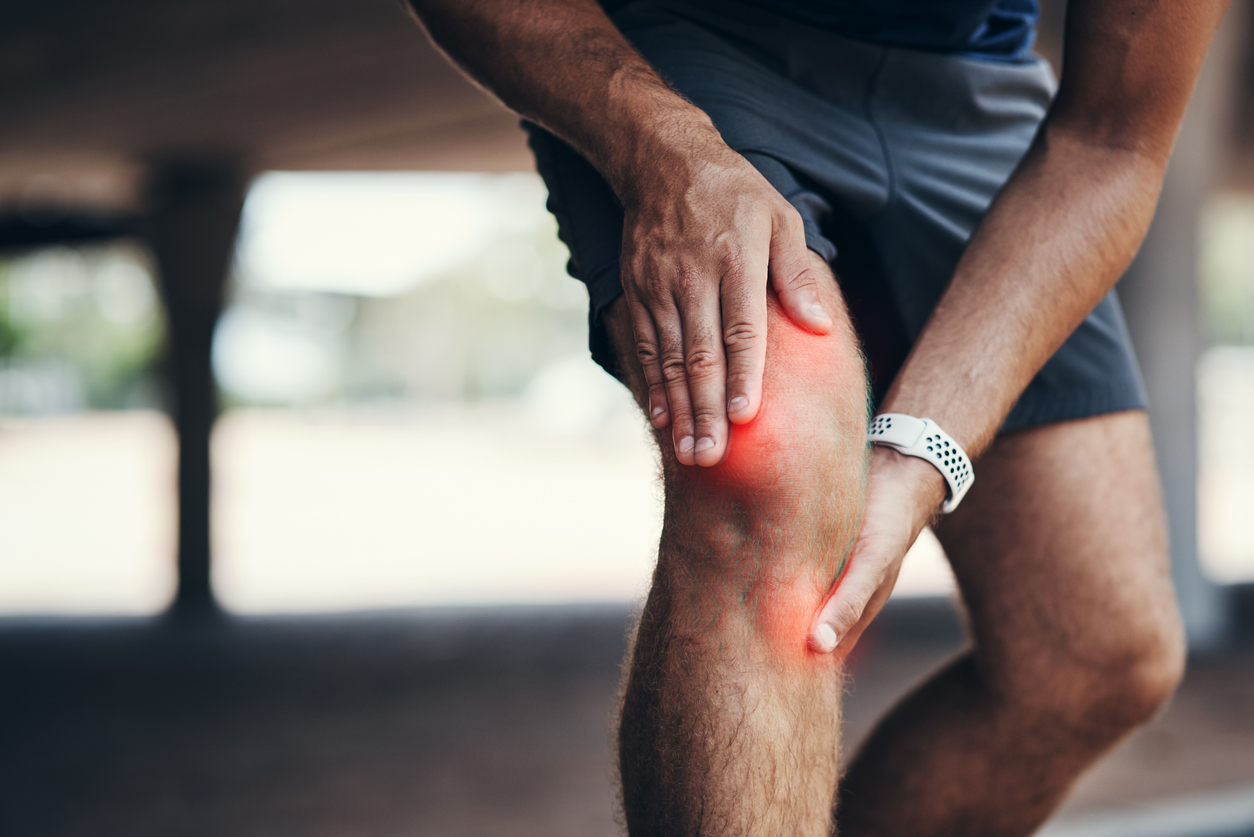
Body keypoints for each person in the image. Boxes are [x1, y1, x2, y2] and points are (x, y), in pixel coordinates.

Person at [405, 0, 1229, 833]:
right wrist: (664, 153)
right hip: (682, 46)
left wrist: (920, 455)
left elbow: (1112, 141)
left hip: (975, 88)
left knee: (1096, 653)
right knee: (768, 460)